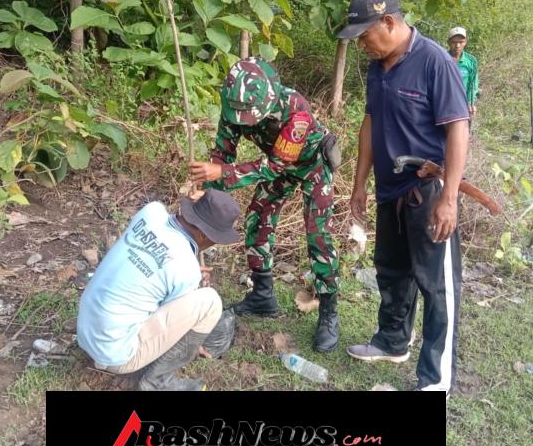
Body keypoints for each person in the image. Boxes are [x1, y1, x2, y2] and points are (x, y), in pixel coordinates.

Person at [337, 0, 470, 394]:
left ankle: (434, 379)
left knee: (436, 285)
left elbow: (458, 130)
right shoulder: (379, 67)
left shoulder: (434, 62)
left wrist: (449, 200)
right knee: (392, 271)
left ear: (389, 22)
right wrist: (359, 183)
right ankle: (393, 341)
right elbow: (370, 123)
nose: (362, 45)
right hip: (390, 189)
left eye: (364, 36)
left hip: (428, 190)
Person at [189, 57, 341, 352]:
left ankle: (328, 313)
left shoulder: (296, 110)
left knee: (318, 236)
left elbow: (274, 166)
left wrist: (223, 174)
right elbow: (223, 152)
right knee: (257, 219)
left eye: (251, 113)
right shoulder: (234, 107)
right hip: (277, 166)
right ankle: (263, 296)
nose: (245, 118)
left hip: (312, 167)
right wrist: (206, 187)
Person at [77, 189, 240, 391]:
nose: (213, 243)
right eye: (215, 238)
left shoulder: (151, 212)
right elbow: (167, 323)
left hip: (86, 332)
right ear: (204, 234)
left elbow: (157, 258)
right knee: (210, 303)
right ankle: (157, 381)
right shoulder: (185, 270)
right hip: (116, 356)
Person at [447, 26, 479, 120]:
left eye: (460, 42)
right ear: (448, 42)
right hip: (445, 105)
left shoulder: (471, 61)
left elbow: (473, 85)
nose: (457, 46)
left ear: (465, 42)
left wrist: (470, 103)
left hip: (463, 105)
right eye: (454, 42)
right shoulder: (442, 58)